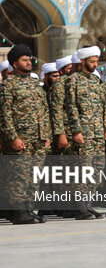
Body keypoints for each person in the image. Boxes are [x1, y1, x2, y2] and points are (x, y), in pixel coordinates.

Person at [0, 44, 51, 224]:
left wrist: (46, 135)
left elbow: (44, 111)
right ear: (15, 63)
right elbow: (4, 114)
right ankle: (18, 211)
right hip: (20, 139)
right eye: (25, 59)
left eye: (30, 59)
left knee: (34, 176)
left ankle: (29, 209)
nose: (29, 62)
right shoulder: (8, 85)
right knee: (18, 176)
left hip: (37, 139)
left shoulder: (34, 84)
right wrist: (13, 137)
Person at [65, 46, 106, 220]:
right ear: (82, 61)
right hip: (83, 132)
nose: (95, 65)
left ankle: (89, 205)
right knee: (83, 170)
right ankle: (81, 208)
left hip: (97, 133)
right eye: (92, 62)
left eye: (96, 61)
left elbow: (102, 107)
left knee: (96, 169)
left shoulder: (95, 81)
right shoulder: (73, 80)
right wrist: (76, 130)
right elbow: (71, 106)